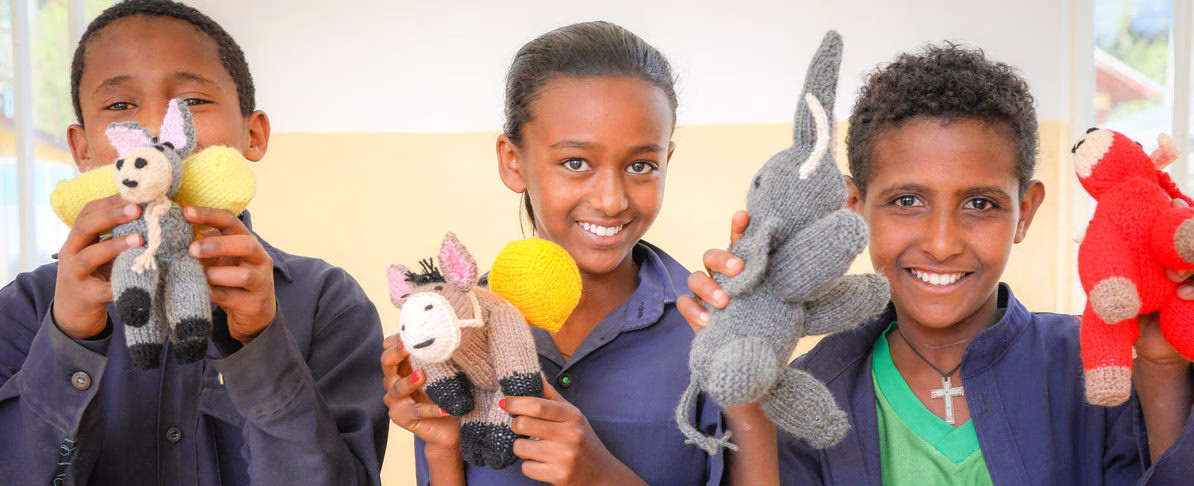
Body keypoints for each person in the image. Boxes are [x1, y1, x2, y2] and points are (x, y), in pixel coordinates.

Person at [681, 44, 1194, 484]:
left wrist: (1162, 366)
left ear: (1026, 212)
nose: (943, 243)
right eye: (907, 201)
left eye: (980, 204)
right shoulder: (810, 389)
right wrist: (746, 389)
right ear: (855, 208)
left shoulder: (1095, 370)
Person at [0, 1, 387, 484]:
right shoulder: (26, 310)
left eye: (192, 103)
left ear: (253, 134)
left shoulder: (329, 303)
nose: (157, 134)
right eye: (121, 106)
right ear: (83, 151)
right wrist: (69, 341)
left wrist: (262, 347)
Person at [381, 21, 776, 485]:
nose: (611, 199)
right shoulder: (456, 330)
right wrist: (443, 448)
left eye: (640, 165)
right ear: (513, 161)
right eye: (575, 163)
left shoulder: (709, 331)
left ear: (665, 162)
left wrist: (602, 476)